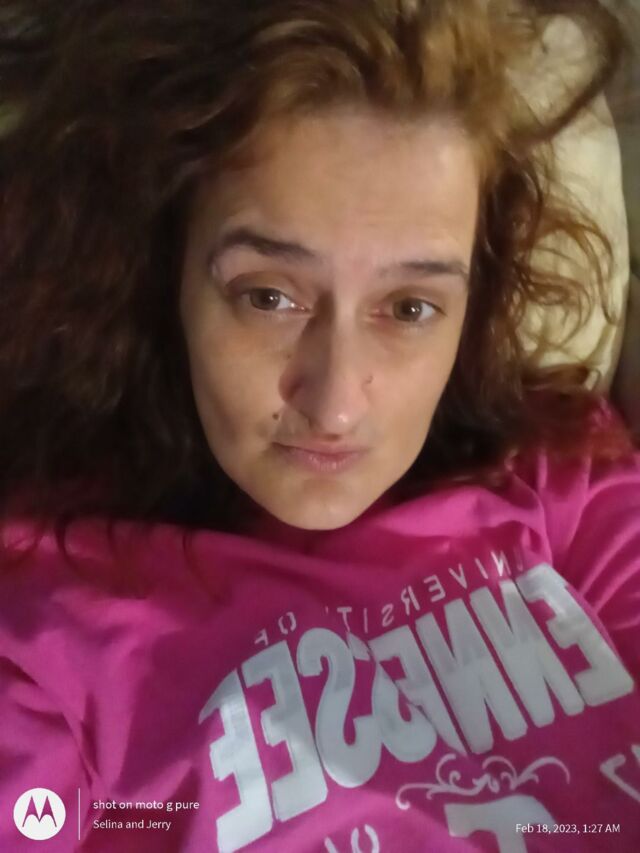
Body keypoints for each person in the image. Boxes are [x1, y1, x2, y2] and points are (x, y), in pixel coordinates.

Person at [0, 1, 638, 851]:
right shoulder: (43, 614)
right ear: (162, 269)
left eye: (409, 308)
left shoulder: (567, 480)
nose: (335, 403)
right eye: (269, 296)